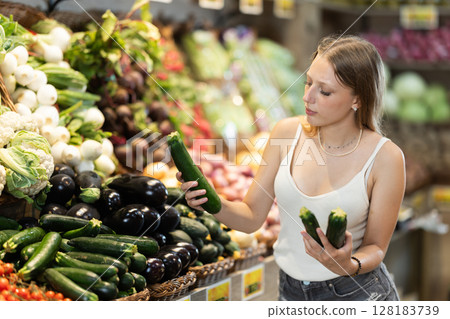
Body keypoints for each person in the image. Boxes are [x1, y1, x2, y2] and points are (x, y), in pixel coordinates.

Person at [176, 34, 405, 301]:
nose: (308, 97)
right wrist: (210, 199)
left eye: (325, 91)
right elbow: (251, 217)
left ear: (358, 99)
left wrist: (349, 264)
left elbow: (376, 247)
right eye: (308, 82)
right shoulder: (287, 132)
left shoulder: (386, 157)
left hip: (358, 293)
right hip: (291, 292)